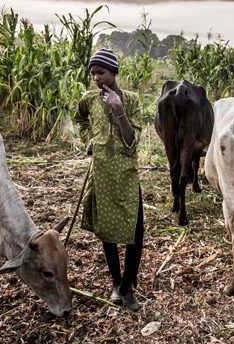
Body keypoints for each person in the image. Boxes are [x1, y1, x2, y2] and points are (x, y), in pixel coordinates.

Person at [75, 48, 144, 312]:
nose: (96, 78)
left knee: (135, 232)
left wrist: (119, 109)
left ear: (113, 72)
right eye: (93, 73)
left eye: (101, 72)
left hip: (126, 173)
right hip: (101, 172)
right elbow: (79, 119)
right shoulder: (89, 99)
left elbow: (131, 141)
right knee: (107, 231)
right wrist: (88, 140)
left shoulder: (133, 100)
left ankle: (127, 286)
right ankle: (118, 284)